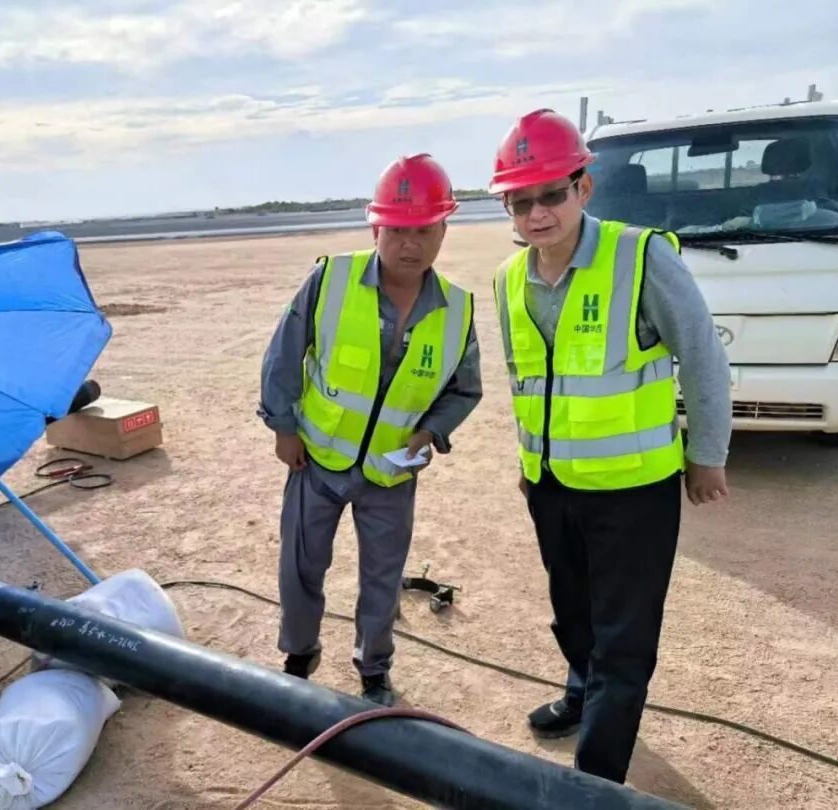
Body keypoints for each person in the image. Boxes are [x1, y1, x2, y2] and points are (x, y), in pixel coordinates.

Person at [488, 109, 732, 784]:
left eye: (551, 195)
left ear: (584, 188)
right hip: (552, 485)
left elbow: (703, 358)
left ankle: (594, 783)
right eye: (520, 201)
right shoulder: (509, 279)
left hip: (633, 489)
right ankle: (580, 690)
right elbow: (525, 379)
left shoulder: (640, 256)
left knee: (623, 640)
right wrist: (530, 461)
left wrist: (707, 454)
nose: (537, 214)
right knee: (573, 614)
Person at [258, 154, 483, 706]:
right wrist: (283, 428)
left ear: (443, 230)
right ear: (375, 229)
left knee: (383, 578)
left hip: (390, 473)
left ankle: (374, 668)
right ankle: (299, 653)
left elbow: (464, 389)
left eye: (424, 231)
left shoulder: (457, 310)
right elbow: (284, 355)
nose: (411, 244)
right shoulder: (330, 280)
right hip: (316, 460)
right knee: (301, 566)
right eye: (398, 230)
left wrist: (430, 434)